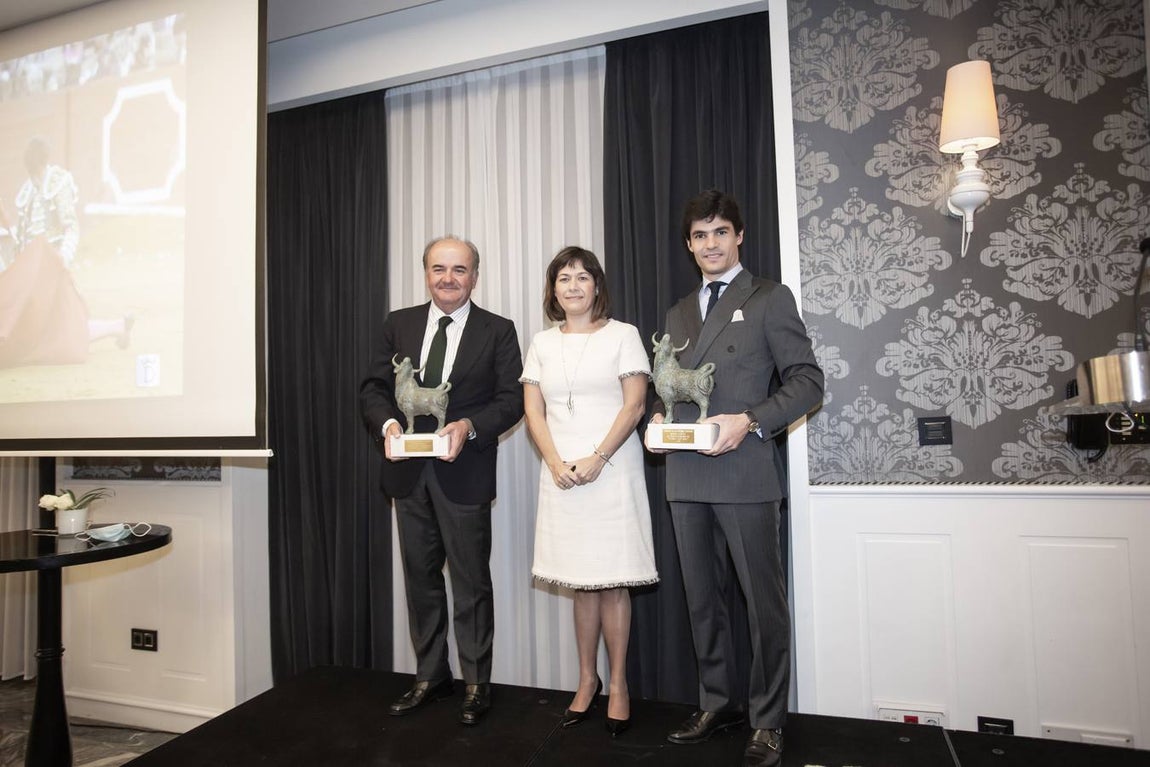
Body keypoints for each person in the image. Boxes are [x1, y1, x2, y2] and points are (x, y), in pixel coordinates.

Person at [646, 190, 823, 767]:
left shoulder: (770, 298)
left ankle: (768, 718)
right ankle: (717, 702)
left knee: (763, 605)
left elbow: (806, 382)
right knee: (703, 601)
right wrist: (658, 416)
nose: (710, 244)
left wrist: (750, 420)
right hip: (685, 477)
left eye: (720, 232)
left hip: (747, 474)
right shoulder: (677, 312)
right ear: (688, 244)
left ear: (739, 236)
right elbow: (670, 386)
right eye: (699, 236)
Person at [359, 235, 523, 726]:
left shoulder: (499, 330)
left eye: (459, 269)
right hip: (407, 475)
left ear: (475, 275)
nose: (448, 278)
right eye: (438, 269)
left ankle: (476, 683)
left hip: (464, 473)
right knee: (421, 581)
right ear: (426, 272)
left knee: (471, 583)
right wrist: (388, 424)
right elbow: (373, 388)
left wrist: (469, 426)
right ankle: (431, 676)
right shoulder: (398, 324)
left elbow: (511, 398)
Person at [520, 246, 657, 737]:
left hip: (612, 470)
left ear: (597, 285)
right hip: (561, 474)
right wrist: (556, 462)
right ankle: (586, 680)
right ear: (553, 290)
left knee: (613, 581)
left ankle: (618, 685)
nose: (573, 286)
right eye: (563, 278)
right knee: (581, 583)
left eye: (582, 277)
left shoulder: (624, 336)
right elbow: (534, 412)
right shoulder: (539, 342)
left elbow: (635, 404)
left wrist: (598, 458)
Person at [0, 137, 131, 367]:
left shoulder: (58, 182)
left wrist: (63, 260)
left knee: (61, 333)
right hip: (35, 275)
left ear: (42, 163)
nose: (35, 176)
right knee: (59, 330)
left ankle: (118, 326)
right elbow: (23, 239)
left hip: (53, 267)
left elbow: (71, 226)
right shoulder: (28, 189)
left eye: (36, 170)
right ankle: (119, 326)